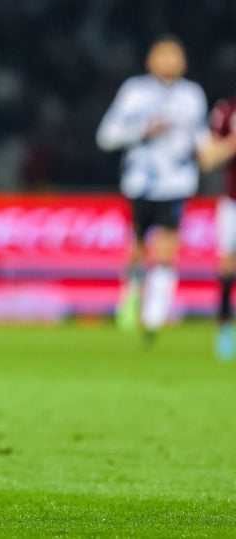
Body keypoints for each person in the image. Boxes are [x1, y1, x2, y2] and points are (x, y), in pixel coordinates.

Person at [96, 36, 236, 343]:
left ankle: (155, 315)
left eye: (175, 56)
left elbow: (201, 139)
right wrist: (143, 130)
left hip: (176, 181)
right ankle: (131, 294)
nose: (169, 61)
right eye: (163, 55)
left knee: (167, 248)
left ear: (183, 62)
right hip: (140, 181)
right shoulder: (134, 92)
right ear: (151, 60)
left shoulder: (192, 95)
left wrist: (217, 151)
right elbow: (106, 136)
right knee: (136, 247)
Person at [207, 94, 236, 360]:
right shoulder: (227, 110)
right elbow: (208, 158)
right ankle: (226, 328)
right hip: (233, 202)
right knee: (228, 265)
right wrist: (231, 144)